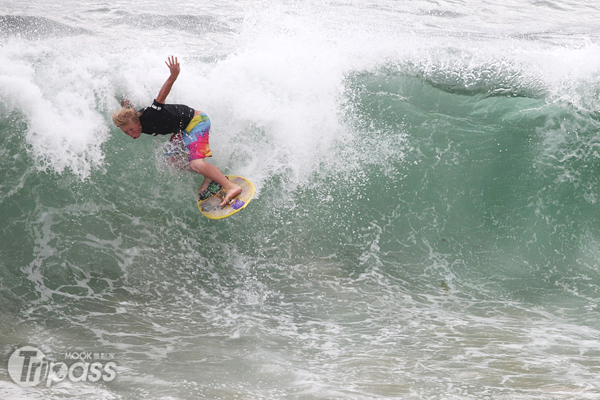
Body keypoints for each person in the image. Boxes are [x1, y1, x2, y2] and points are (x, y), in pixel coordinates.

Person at [112, 56, 241, 207]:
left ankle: (231, 187)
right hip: (181, 130)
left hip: (196, 122)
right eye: (127, 133)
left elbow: (160, 97)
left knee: (196, 165)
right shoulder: (132, 117)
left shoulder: (151, 115)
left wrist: (172, 77)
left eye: (132, 130)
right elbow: (128, 108)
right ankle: (209, 176)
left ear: (137, 120)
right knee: (172, 161)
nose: (132, 135)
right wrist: (124, 100)